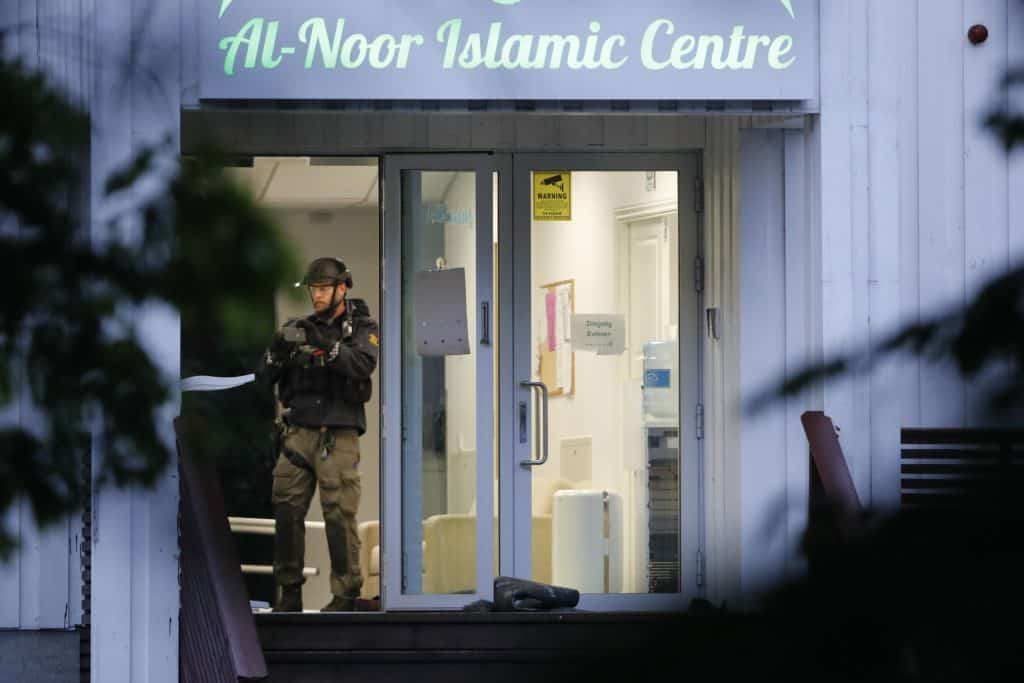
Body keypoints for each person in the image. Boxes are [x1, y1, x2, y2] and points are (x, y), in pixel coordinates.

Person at [256, 256, 379, 612]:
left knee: (338, 514)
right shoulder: (300, 328)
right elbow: (264, 376)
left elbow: (362, 364)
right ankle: (289, 592)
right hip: (297, 433)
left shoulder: (362, 327)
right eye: (314, 289)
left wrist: (323, 343)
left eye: (324, 288)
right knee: (286, 510)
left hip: (337, 434)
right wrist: (277, 350)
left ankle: (345, 594)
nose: (318, 295)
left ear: (342, 289)